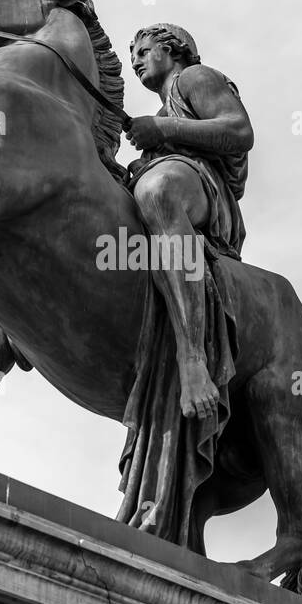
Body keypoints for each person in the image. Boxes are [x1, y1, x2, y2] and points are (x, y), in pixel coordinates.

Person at [124, 23, 254, 418]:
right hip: (178, 184)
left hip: (206, 192)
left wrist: (161, 129)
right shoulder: (162, 111)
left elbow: (239, 131)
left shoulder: (196, 78)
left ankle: (193, 357)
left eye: (144, 51)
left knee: (156, 189)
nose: (136, 61)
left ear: (174, 49)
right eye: (133, 57)